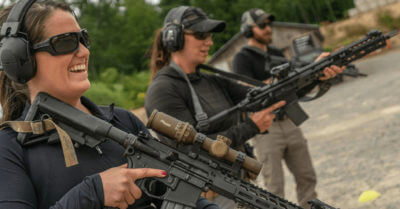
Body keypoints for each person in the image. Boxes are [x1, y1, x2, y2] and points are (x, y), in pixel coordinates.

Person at [0, 1, 216, 209]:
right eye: (65, 42)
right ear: (21, 59)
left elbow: (175, 191)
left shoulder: (123, 122)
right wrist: (92, 193)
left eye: (83, 39)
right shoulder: (10, 149)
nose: (84, 51)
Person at [144, 5, 286, 208]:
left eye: (209, 35)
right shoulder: (163, 90)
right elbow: (192, 150)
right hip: (209, 198)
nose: (209, 42)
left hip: (238, 187)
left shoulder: (211, 81)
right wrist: (251, 127)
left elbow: (264, 96)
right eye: (201, 35)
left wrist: (314, 74)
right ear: (174, 38)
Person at [232, 8, 344, 208]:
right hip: (266, 128)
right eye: (262, 25)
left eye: (269, 24)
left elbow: (295, 87)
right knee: (274, 187)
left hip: (290, 120)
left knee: (307, 176)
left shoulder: (276, 53)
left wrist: (316, 75)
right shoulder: (243, 58)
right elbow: (248, 94)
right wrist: (282, 80)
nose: (268, 29)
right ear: (248, 30)